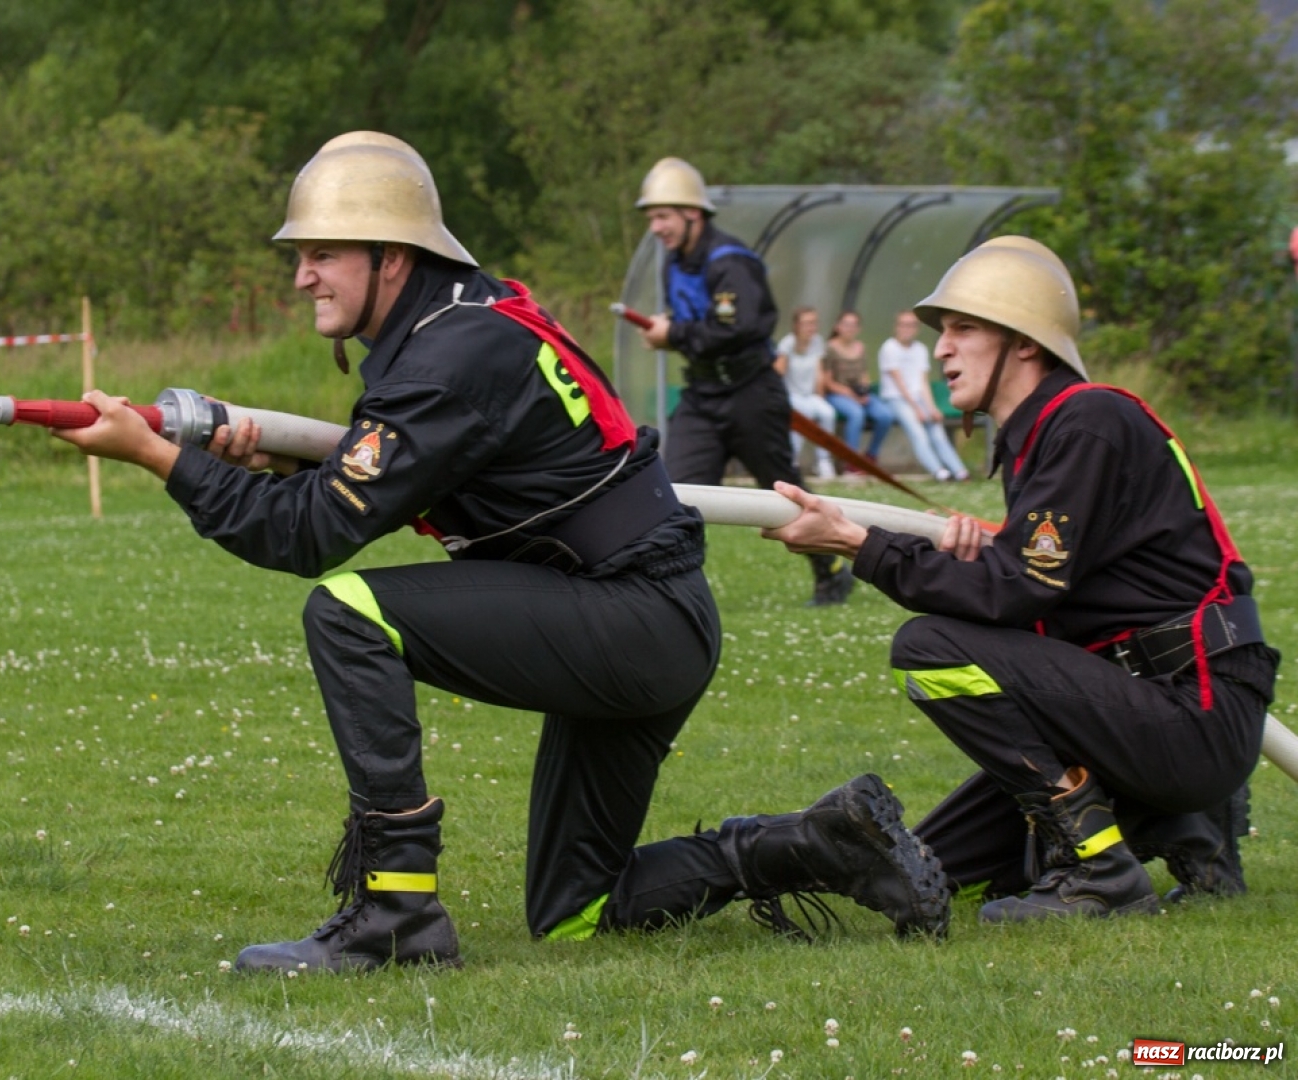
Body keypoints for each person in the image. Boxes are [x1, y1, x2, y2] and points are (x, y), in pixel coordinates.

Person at [52, 132, 949, 970]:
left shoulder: (446, 357)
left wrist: (157, 456)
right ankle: (818, 842)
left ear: (390, 256)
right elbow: (403, 482)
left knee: (347, 613)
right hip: (643, 612)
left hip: (632, 615)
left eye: (322, 253)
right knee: (577, 909)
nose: (302, 276)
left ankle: (396, 911)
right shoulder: (467, 320)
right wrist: (279, 464)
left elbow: (305, 536)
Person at [761, 237, 1278, 921]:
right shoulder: (1048, 435)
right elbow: (1043, 591)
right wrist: (976, 556)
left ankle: (1101, 870)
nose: (942, 350)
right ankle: (1190, 834)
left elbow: (1014, 593)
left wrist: (859, 545)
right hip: (1155, 710)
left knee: (930, 648)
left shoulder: (1086, 422)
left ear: (1026, 342)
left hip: (1188, 718)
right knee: (935, 868)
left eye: (963, 329)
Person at [633, 156, 854, 606]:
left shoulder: (730, 261)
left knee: (784, 492)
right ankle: (670, 595)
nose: (655, 228)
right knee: (673, 493)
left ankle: (831, 570)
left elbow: (739, 327)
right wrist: (668, 327)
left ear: (692, 213)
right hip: (702, 395)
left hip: (751, 393)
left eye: (663, 216)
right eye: (651, 218)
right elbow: (697, 321)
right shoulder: (674, 261)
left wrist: (673, 334)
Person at [878, 311, 971, 481]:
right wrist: (916, 409)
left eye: (912, 325)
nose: (907, 329)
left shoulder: (920, 349)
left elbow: (923, 383)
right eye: (904, 324)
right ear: (896, 327)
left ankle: (960, 471)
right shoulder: (889, 348)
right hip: (896, 399)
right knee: (918, 432)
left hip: (918, 398)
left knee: (937, 431)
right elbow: (899, 383)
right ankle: (939, 472)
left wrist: (932, 408)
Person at [821, 311, 892, 474]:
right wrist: (851, 395)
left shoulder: (861, 347)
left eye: (854, 325)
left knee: (885, 415)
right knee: (856, 414)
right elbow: (828, 382)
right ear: (837, 326)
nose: (850, 328)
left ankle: (871, 456)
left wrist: (864, 391)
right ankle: (851, 462)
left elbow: (864, 375)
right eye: (846, 324)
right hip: (837, 394)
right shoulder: (829, 348)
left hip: (859, 394)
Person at [774, 306, 838, 480]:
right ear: (796, 325)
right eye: (807, 323)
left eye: (814, 323)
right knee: (805, 414)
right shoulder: (787, 343)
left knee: (828, 413)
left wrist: (820, 397)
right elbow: (778, 372)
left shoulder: (817, 342)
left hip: (810, 396)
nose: (812, 327)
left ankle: (823, 461)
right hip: (790, 395)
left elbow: (819, 372)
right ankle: (792, 461)